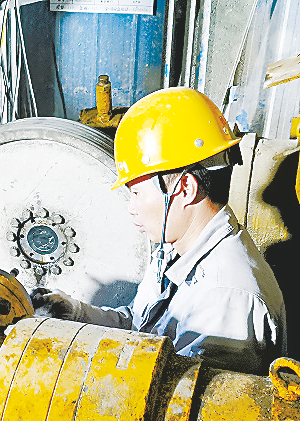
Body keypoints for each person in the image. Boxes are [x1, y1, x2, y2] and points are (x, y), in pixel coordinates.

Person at [33, 87, 286, 376]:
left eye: (136, 193)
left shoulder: (225, 299)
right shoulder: (175, 249)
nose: (131, 208)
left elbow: (178, 395)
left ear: (185, 188)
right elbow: (140, 326)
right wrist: (76, 313)